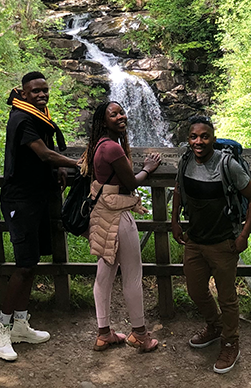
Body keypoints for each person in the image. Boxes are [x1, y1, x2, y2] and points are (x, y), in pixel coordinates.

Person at [0, 71, 79, 362]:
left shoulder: (37, 115)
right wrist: (79, 163)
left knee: (32, 263)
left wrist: (60, 169)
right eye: (35, 91)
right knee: (24, 266)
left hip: (37, 197)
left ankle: (20, 324)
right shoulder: (23, 118)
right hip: (20, 200)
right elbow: (42, 154)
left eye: (44, 90)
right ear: (23, 93)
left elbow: (47, 152)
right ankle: (0, 329)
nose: (41, 95)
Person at [170, 116, 251, 374]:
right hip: (194, 240)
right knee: (195, 290)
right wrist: (175, 221)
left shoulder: (227, 164)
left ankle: (231, 343)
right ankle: (215, 325)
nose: (198, 141)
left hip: (223, 242)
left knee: (228, 297)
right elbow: (178, 189)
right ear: (188, 139)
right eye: (193, 137)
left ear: (213, 138)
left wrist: (243, 235)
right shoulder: (186, 160)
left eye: (204, 136)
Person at [83, 101, 164, 353]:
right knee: (132, 275)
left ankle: (103, 333)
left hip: (102, 215)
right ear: (103, 121)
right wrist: (147, 169)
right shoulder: (112, 149)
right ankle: (139, 334)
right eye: (113, 114)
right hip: (118, 216)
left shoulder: (98, 145)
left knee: (104, 274)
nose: (121, 116)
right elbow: (130, 184)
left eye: (121, 112)